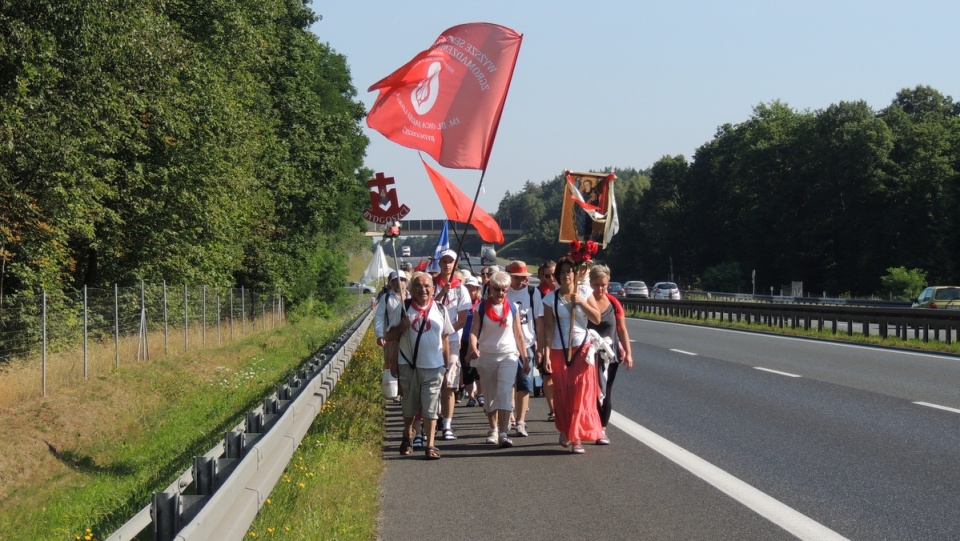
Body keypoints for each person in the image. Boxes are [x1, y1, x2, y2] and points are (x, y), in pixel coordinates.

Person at [541, 256, 603, 454]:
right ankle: (566, 429)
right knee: (563, 393)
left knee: (581, 392)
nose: (566, 275)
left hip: (582, 348)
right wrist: (547, 354)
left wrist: (582, 303)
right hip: (560, 349)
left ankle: (577, 437)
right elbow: (548, 330)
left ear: (575, 274)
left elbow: (597, 318)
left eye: (569, 271)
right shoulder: (551, 298)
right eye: (562, 272)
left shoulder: (584, 291)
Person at [390, 272, 454, 460]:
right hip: (408, 366)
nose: (423, 289)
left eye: (427, 286)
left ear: (433, 290)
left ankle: (430, 445)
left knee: (431, 407)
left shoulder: (440, 309)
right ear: (411, 289)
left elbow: (445, 338)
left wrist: (446, 365)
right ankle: (407, 434)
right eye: (418, 285)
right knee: (409, 407)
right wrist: (401, 327)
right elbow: (390, 337)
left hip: (434, 367)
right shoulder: (403, 308)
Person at [467, 271, 528, 448]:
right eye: (497, 289)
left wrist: (525, 358)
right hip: (487, 355)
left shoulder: (513, 308)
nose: (501, 294)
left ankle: (503, 432)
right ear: (490, 288)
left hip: (508, 355)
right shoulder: (481, 307)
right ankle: (492, 429)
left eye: (504, 290)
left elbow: (518, 334)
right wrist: (473, 347)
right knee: (490, 395)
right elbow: (474, 331)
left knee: (504, 393)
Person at [587, 265, 634, 445]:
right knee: (589, 393)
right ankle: (588, 426)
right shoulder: (586, 301)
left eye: (603, 285)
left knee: (606, 392)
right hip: (588, 356)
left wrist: (628, 353)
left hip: (609, 356)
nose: (600, 289)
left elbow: (622, 329)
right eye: (596, 284)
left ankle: (602, 430)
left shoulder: (613, 303)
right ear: (590, 283)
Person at [433, 249, 471, 440]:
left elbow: (462, 319)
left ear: (455, 264)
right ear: (439, 263)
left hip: (452, 340)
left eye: (451, 261)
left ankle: (447, 424)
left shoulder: (461, 289)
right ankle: (434, 418)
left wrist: (446, 333)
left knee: (449, 382)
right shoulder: (431, 285)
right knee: (433, 382)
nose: (447, 265)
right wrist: (441, 293)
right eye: (444, 261)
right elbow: (428, 308)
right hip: (431, 340)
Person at [504, 260, 542, 438]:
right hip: (506, 345)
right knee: (508, 383)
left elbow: (539, 320)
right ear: (509, 277)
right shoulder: (503, 291)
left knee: (524, 385)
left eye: (523, 278)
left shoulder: (533, 293)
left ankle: (520, 421)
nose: (520, 281)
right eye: (516, 278)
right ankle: (510, 416)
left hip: (527, 345)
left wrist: (540, 345)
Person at [374, 270, 407, 389]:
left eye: (402, 280)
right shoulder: (386, 298)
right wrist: (379, 335)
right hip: (392, 336)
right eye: (396, 280)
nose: (400, 282)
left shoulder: (411, 296)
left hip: (408, 336)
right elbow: (379, 316)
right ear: (392, 283)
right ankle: (393, 388)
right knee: (391, 362)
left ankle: (404, 388)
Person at [535, 260, 557, 421]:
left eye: (554, 275)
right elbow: (538, 321)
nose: (551, 279)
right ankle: (553, 409)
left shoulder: (565, 291)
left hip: (563, 340)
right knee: (548, 375)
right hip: (546, 339)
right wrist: (540, 347)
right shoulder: (538, 293)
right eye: (547, 276)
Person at [461, 276, 483, 407]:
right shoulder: (462, 304)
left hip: (479, 339)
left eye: (472, 287)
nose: (470, 290)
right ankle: (471, 396)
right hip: (464, 339)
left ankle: (480, 394)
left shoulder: (481, 304)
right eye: (467, 287)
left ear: (477, 289)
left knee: (479, 368)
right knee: (467, 368)